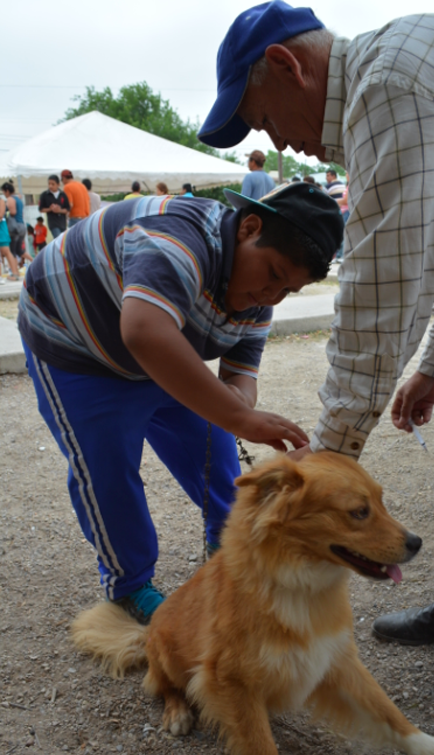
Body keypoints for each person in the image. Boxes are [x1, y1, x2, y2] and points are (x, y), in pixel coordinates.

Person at [199, 1, 434, 755]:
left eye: (262, 118)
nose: (277, 141)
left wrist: (321, 469)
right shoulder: (394, 86)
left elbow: (380, 288)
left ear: (288, 68)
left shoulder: (391, 85)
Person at [18, 182, 343, 624]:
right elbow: (145, 332)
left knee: (213, 446)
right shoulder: (175, 239)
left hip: (161, 349)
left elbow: (240, 374)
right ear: (248, 227)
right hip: (78, 349)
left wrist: (236, 406)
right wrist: (240, 417)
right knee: (106, 467)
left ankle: (229, 545)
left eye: (288, 290)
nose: (271, 297)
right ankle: (130, 586)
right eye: (272, 274)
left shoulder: (259, 295)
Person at [1, 182, 26, 265]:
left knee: (12, 251)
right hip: (21, 225)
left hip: (15, 227)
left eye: (4, 192)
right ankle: (32, 262)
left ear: (7, 191)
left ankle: (14, 271)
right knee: (19, 250)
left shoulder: (10, 199)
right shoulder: (18, 198)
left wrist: (6, 209)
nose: (4, 194)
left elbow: (13, 212)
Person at [0, 192, 20, 280]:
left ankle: (15, 273)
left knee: (6, 250)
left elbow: (0, 215)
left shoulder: (1, 200)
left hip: (1, 228)